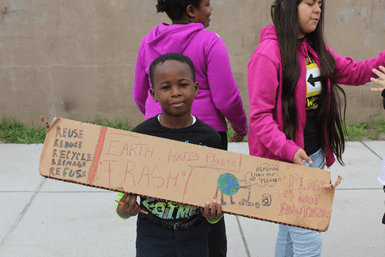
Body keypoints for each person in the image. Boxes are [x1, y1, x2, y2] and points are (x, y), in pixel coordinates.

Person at [247, 0, 385, 256]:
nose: (318, 10)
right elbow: (259, 118)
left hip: (313, 155)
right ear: (289, 7)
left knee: (290, 234)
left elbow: (354, 71)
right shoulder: (268, 54)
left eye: (320, 4)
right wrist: (288, 149)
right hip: (287, 162)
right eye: (309, 3)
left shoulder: (314, 49)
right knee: (308, 241)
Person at [132, 1, 248, 255]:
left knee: (159, 202)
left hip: (159, 135)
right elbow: (226, 97)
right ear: (191, 10)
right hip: (206, 137)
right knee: (210, 203)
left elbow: (139, 94)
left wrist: (155, 122)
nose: (211, 9)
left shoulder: (148, 42)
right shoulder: (209, 41)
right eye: (207, 4)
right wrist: (240, 124)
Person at [118, 53, 224, 257]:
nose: (175, 93)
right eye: (166, 87)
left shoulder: (210, 138)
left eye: (183, 85)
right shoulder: (142, 136)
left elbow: (217, 194)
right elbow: (125, 192)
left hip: (195, 236)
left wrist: (213, 215)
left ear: (195, 89)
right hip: (152, 235)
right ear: (153, 94)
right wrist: (124, 210)